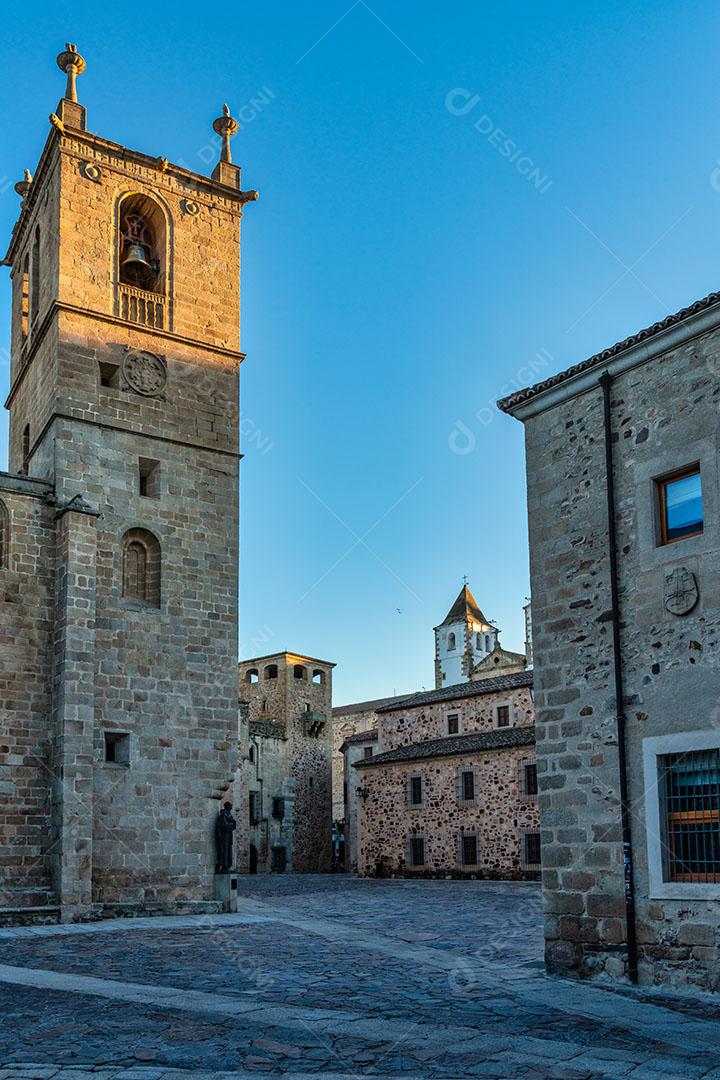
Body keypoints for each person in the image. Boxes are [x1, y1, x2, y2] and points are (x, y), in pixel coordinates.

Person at [215, 801, 236, 873]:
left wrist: (232, 824)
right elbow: (224, 825)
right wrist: (231, 824)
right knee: (225, 850)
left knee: (228, 850)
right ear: (227, 806)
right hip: (225, 836)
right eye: (230, 805)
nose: (231, 807)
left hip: (228, 835)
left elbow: (234, 823)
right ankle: (224, 866)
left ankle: (227, 866)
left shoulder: (228, 814)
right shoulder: (224, 814)